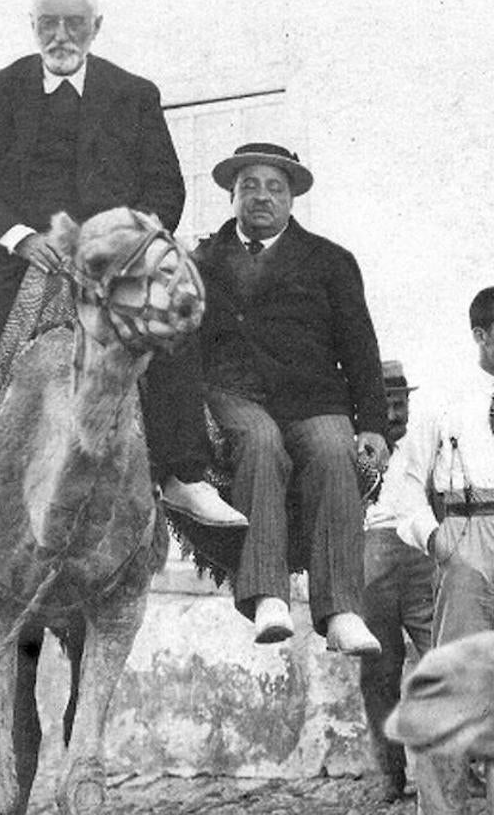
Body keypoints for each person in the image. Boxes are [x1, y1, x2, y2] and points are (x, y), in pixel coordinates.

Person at [0, 0, 243, 530]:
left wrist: (121, 241)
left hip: (115, 255)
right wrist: (17, 235)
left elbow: (166, 189)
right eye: (48, 23)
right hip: (13, 251)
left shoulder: (135, 94)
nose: (60, 36)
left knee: (171, 313)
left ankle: (184, 476)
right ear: (32, 27)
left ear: (94, 27)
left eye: (73, 23)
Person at [195, 142, 388, 652]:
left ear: (292, 199)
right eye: (249, 186)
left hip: (314, 396)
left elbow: (361, 348)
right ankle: (267, 598)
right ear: (232, 196)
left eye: (274, 187)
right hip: (235, 393)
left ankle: (342, 610)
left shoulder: (330, 260)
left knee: (332, 451)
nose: (262, 197)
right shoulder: (202, 261)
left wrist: (372, 424)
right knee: (259, 443)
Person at [392, 287, 494, 814]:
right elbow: (403, 487)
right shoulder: (445, 400)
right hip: (466, 537)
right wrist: (434, 537)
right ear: (482, 335)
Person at [357, 360, 435, 803]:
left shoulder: (424, 445)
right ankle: (391, 773)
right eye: (385, 402)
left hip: (422, 559)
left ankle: (453, 768)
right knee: (379, 673)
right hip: (373, 564)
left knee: (441, 663)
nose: (394, 412)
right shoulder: (360, 450)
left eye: (400, 401)